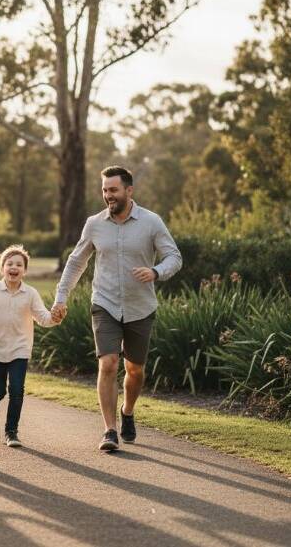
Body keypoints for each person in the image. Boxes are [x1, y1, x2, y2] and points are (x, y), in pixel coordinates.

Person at [51, 165, 182, 451]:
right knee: (108, 363)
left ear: (128, 190)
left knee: (134, 370)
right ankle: (109, 430)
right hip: (105, 303)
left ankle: (128, 412)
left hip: (140, 306)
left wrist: (156, 272)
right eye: (104, 190)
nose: (108, 195)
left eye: (113, 190)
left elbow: (174, 256)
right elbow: (76, 261)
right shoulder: (94, 224)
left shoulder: (151, 222)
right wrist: (61, 297)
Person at [0, 245, 56, 447]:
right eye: (10, 264)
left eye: (19, 264)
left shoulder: (30, 294)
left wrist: (55, 318)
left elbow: (43, 317)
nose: (14, 267)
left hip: (20, 349)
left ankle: (11, 431)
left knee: (17, 389)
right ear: (2, 268)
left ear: (24, 270)